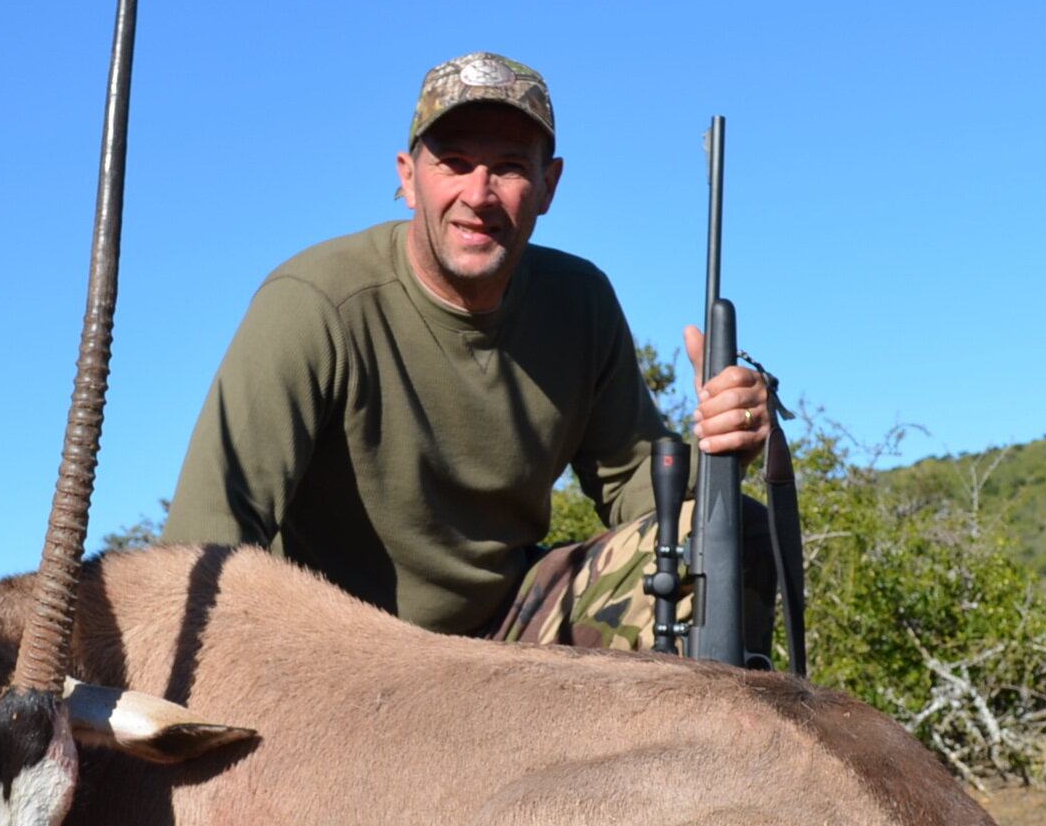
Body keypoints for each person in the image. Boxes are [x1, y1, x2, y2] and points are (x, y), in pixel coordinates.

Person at [162, 51, 771, 647]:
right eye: (453, 163)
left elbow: (643, 495)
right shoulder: (314, 302)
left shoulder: (580, 303)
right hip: (341, 644)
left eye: (508, 167)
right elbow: (204, 541)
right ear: (407, 178)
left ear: (548, 186)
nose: (479, 195)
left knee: (733, 534)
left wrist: (723, 443)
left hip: (509, 629)